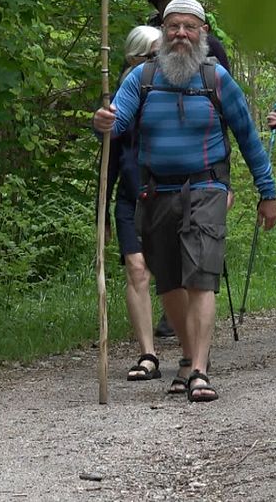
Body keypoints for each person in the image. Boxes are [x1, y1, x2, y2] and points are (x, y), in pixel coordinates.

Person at [93, 0, 276, 401]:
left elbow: (248, 138)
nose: (180, 34)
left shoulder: (217, 80)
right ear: (162, 33)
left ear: (203, 34)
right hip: (154, 191)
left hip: (206, 187)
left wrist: (268, 192)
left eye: (189, 27)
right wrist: (102, 121)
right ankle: (190, 355)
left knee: (201, 276)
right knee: (170, 283)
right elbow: (117, 124)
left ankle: (199, 370)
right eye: (173, 26)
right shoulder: (141, 78)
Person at [144, 0, 232, 339]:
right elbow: (129, 105)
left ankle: (195, 357)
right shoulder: (152, 44)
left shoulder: (212, 52)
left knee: (197, 257)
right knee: (163, 259)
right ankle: (181, 326)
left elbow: (228, 116)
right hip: (156, 176)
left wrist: (225, 179)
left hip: (206, 174)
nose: (166, 9)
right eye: (162, 5)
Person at [103, 25, 163, 381]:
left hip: (170, 192)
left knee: (174, 273)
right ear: (136, 58)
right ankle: (148, 354)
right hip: (130, 195)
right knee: (137, 269)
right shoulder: (120, 99)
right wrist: (102, 206)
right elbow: (109, 155)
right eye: (152, 57)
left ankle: (192, 354)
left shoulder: (175, 91)